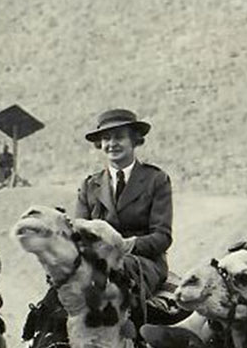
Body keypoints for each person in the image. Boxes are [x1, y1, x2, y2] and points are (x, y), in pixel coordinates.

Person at [73, 107, 173, 297]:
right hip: (96, 262)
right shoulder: (89, 185)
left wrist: (126, 245)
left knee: (118, 284)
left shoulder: (156, 179)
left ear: (134, 140)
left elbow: (162, 237)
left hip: (142, 263)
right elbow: (79, 233)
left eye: (119, 137)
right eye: (106, 139)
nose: (112, 144)